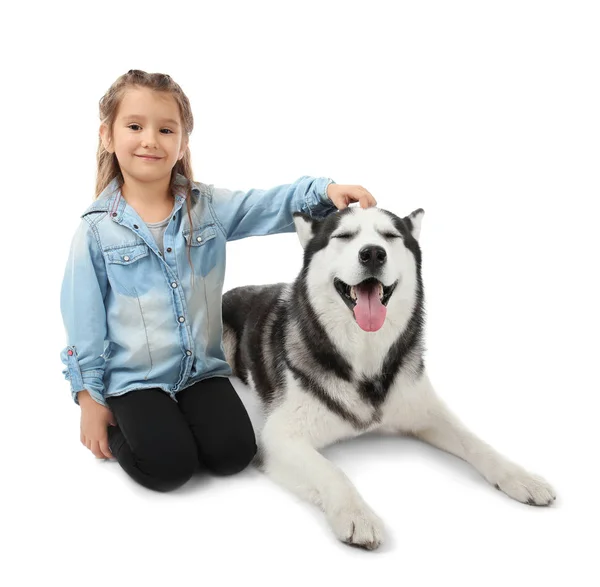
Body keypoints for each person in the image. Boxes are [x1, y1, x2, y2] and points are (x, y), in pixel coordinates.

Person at [60, 69, 377, 493]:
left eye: (165, 129)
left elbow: (265, 205)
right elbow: (83, 320)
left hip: (198, 371)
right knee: (168, 468)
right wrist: (90, 399)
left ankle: (179, 419)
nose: (150, 139)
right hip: (135, 378)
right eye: (134, 126)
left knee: (234, 454)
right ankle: (130, 425)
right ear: (107, 135)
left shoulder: (205, 208)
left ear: (182, 143)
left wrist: (324, 191)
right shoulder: (97, 231)